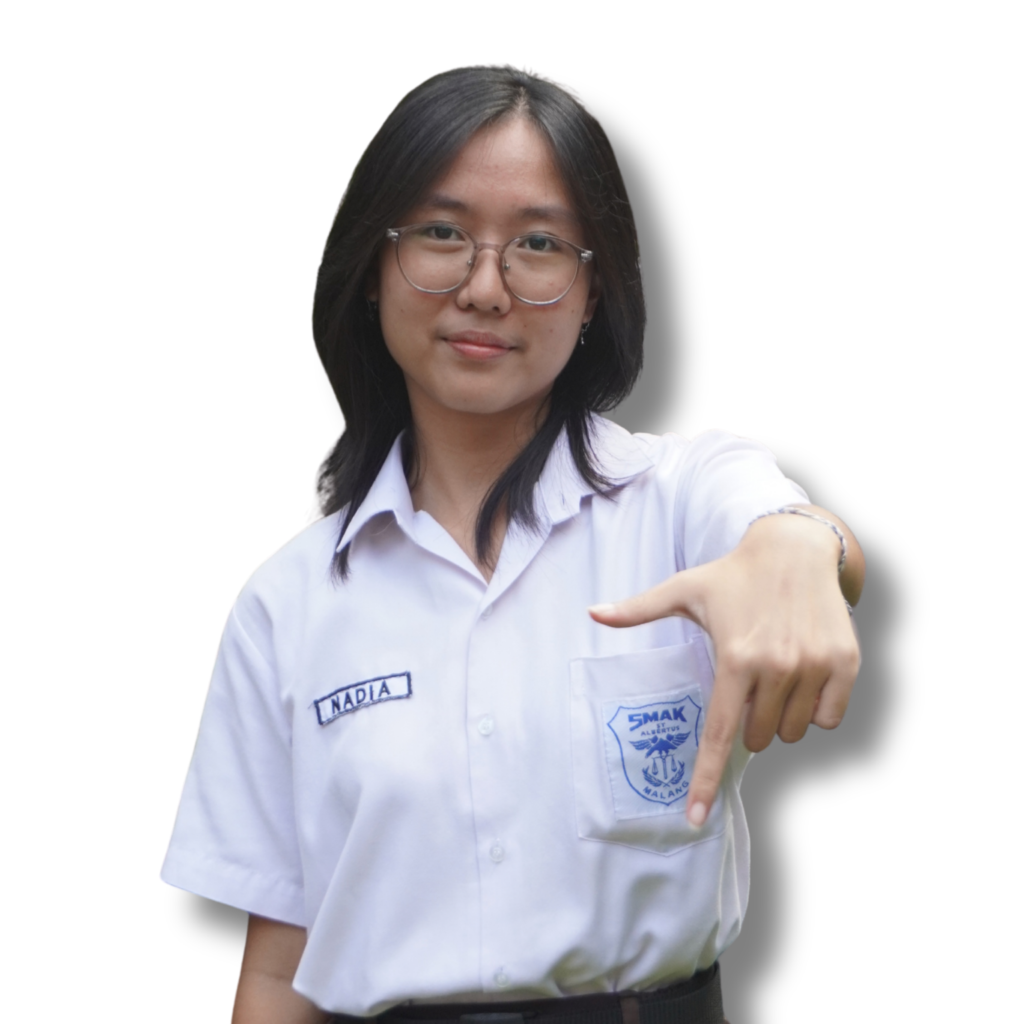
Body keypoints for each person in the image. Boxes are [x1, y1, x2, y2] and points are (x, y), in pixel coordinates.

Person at [162, 66, 864, 1024]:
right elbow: (282, 971)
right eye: (442, 233)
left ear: (594, 291)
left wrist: (799, 548)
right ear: (372, 268)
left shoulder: (678, 503)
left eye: (538, 244)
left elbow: (797, 537)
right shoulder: (288, 606)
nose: (484, 288)